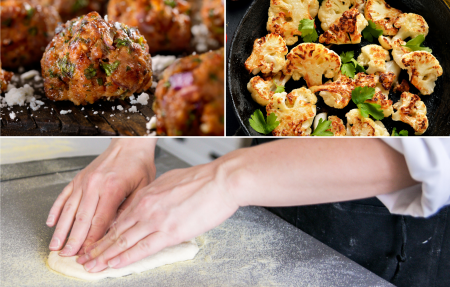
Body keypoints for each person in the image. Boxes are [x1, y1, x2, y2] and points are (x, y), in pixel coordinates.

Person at [46, 138, 450, 287]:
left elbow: (434, 156)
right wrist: (135, 140)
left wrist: (227, 179)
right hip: (271, 174)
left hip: (402, 233)